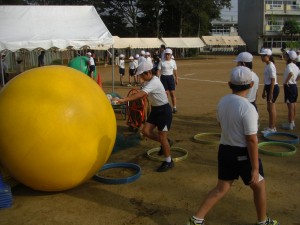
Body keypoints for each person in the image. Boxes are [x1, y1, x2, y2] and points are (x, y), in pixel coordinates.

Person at [186, 66, 279, 225]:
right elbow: (251, 140)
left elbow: (221, 125)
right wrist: (255, 168)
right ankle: (263, 222)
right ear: (251, 85)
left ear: (229, 84)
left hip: (225, 150)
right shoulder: (248, 108)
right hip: (243, 154)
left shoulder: (222, 101)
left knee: (221, 188)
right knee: (260, 186)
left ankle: (196, 219)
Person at [117, 61, 174, 172]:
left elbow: (141, 94)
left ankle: (168, 161)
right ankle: (166, 142)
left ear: (148, 72)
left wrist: (124, 100)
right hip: (156, 110)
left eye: (142, 75)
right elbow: (143, 93)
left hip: (164, 111)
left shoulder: (154, 81)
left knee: (162, 136)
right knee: (146, 131)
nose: (141, 77)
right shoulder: (148, 82)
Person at [259, 48, 279, 134]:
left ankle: (272, 128)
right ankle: (271, 126)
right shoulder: (267, 65)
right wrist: (264, 91)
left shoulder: (271, 66)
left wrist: (270, 93)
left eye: (263, 56)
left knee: (271, 109)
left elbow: (273, 80)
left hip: (273, 88)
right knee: (269, 108)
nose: (261, 57)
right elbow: (266, 80)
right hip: (269, 87)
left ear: (268, 56)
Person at [281, 50, 300, 130]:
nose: (285, 56)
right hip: (294, 86)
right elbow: (299, 75)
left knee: (290, 106)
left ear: (289, 57)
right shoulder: (296, 66)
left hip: (289, 87)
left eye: (286, 55)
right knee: (293, 104)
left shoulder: (289, 66)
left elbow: (291, 73)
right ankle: (292, 122)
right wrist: (295, 80)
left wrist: (285, 82)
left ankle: (290, 124)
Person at [157, 48, 178, 113]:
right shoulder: (161, 61)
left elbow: (175, 70)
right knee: (165, 94)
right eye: (166, 54)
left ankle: (174, 107)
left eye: (168, 54)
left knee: (172, 93)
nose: (167, 56)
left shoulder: (173, 62)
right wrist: (158, 78)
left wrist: (176, 78)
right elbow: (158, 70)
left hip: (170, 78)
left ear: (171, 55)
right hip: (163, 78)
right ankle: (165, 107)